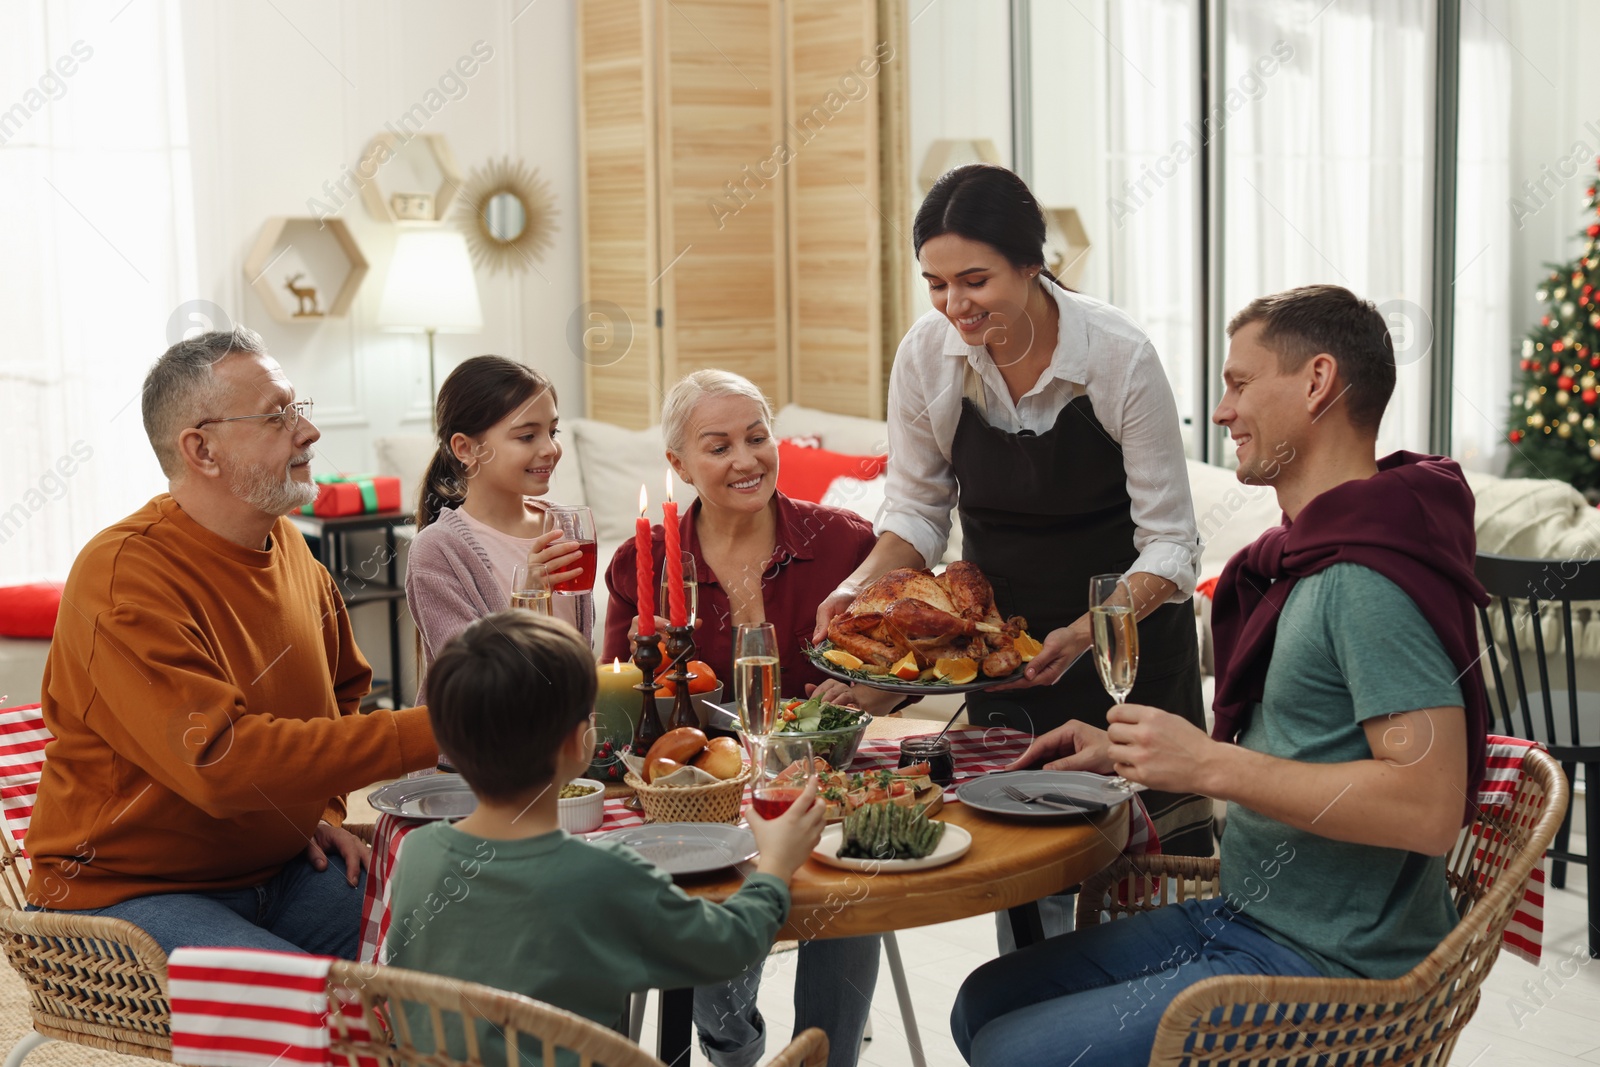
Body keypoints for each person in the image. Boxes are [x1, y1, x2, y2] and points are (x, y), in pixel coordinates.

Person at [948, 285, 1490, 1067]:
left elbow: (1428, 806)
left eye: (1240, 383)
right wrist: (1133, 749)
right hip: (1251, 914)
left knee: (1014, 1049)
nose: (1224, 410)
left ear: (1317, 383)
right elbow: (1311, 743)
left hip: (1337, 968)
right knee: (984, 1001)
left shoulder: (1369, 581)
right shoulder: (1310, 555)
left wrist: (1207, 763)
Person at [813, 164, 1213, 865]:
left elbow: (1172, 545)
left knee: (1145, 882)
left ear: (1032, 264)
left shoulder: (1120, 357)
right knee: (1021, 873)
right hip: (1003, 656)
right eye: (936, 284)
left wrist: (1091, 631)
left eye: (975, 281)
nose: (953, 306)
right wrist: (858, 589)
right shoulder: (925, 358)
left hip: (1127, 654)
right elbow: (916, 511)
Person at [25, 327, 439, 957]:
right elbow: (222, 762)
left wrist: (317, 816)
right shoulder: (123, 577)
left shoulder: (291, 548)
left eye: (299, 410)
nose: (309, 433)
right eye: (278, 417)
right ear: (203, 449)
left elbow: (343, 692)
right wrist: (448, 727)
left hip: (278, 870)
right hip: (124, 896)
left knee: (456, 944)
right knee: (315, 1018)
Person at [601, 370, 895, 1067]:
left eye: (758, 437)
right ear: (678, 464)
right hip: (700, 802)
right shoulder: (639, 563)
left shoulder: (846, 544)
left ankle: (826, 1057)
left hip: (825, 791)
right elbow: (617, 707)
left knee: (851, 879)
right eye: (719, 445)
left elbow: (897, 662)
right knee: (707, 919)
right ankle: (735, 1049)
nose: (746, 459)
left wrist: (874, 696)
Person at [384, 610, 825, 1053]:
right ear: (581, 743)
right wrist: (775, 865)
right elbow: (729, 948)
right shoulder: (604, 874)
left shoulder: (417, 854)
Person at [404, 355, 584, 703]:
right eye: (528, 435)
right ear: (466, 449)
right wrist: (527, 599)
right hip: (484, 753)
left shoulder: (565, 527)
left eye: (553, 431)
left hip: (561, 743)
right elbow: (469, 686)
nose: (550, 449)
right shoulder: (439, 550)